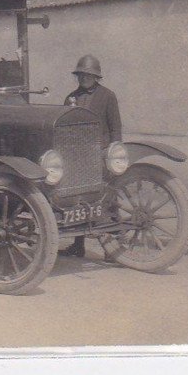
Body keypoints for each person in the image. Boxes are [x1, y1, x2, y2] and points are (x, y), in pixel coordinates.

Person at [61, 54, 123, 257]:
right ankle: (78, 245)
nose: (84, 78)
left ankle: (112, 251)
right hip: (77, 157)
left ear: (96, 77)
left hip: (101, 154)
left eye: (88, 75)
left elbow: (115, 128)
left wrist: (113, 156)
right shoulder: (70, 98)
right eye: (81, 74)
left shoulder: (108, 96)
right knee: (77, 201)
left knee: (108, 201)